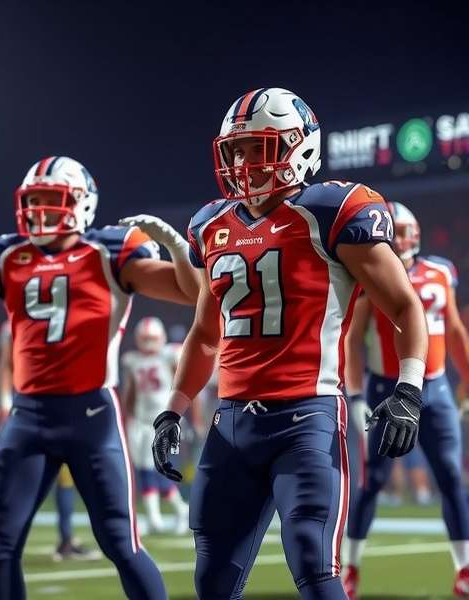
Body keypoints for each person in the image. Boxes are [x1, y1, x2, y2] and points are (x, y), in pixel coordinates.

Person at [0, 139, 200, 599]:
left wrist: (179, 251)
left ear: (82, 203)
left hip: (92, 415)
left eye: (52, 200)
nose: (40, 211)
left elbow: (192, 294)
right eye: (33, 201)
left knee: (121, 544)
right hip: (28, 416)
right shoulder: (8, 254)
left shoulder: (111, 250)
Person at [150, 87, 429, 600]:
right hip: (230, 422)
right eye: (235, 150)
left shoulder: (334, 210)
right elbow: (205, 334)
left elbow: (406, 306)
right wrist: (173, 409)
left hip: (307, 415)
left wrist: (410, 389)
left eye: (257, 147)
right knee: (213, 578)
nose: (243, 162)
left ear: (298, 147)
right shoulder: (212, 223)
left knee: (313, 563)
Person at [342, 201, 469, 598]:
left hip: (437, 388)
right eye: (393, 231)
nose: (399, 239)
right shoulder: (370, 275)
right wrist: (358, 392)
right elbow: (353, 338)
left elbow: (453, 329)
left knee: (450, 477)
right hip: (386, 389)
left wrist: (467, 379)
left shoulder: (441, 271)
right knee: (372, 481)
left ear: (414, 233)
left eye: (403, 231)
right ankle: (350, 568)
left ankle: (464, 569)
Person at [0, 319, 102, 561]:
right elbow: (6, 364)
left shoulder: (61, 317)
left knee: (60, 478)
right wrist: (5, 402)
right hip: (37, 406)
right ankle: (3, 538)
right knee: (26, 478)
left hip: (55, 404)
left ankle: (61, 539)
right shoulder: (22, 320)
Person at [121, 317, 189, 534]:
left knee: (160, 469)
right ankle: (154, 518)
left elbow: (184, 385)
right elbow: (130, 393)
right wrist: (125, 416)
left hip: (163, 420)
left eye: (152, 339)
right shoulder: (133, 360)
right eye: (145, 339)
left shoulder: (169, 356)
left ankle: (181, 510)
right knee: (144, 470)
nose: (149, 343)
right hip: (141, 421)